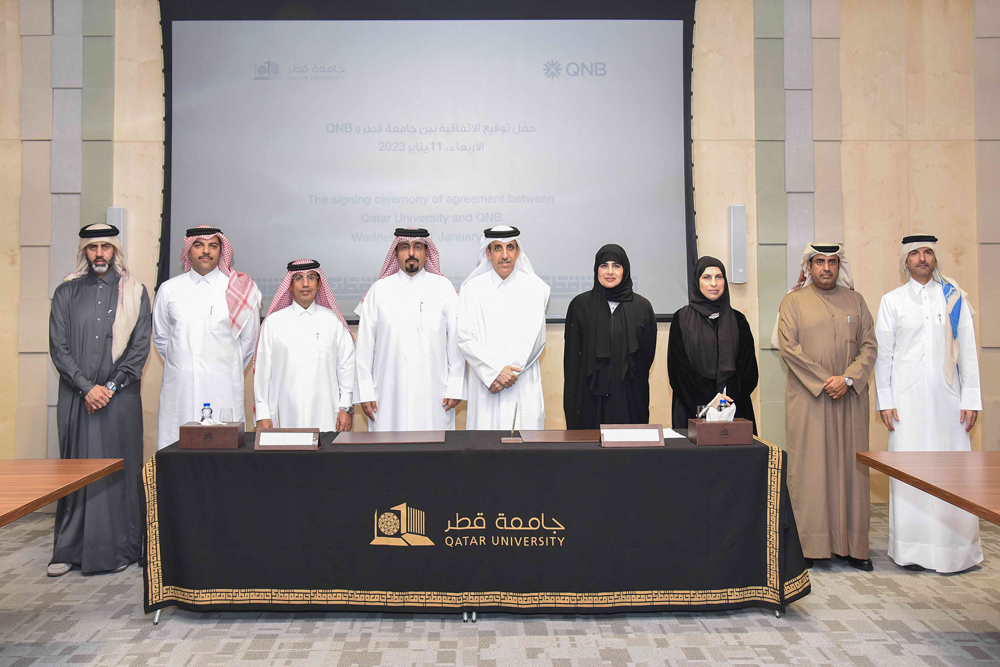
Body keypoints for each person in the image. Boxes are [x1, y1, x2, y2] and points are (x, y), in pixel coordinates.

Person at [874, 235, 983, 573]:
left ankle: (956, 551)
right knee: (910, 471)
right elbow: (883, 356)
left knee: (954, 472)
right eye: (915, 254)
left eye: (928, 253)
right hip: (906, 405)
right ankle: (912, 550)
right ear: (905, 262)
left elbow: (968, 350)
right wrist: (886, 401)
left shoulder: (954, 299)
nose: (922, 258)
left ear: (935, 259)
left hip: (949, 404)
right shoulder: (892, 301)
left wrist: (971, 399)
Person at [47, 223, 151, 576]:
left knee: (118, 472)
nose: (100, 254)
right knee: (76, 472)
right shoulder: (66, 292)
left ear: (115, 251)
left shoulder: (135, 292)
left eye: (106, 248)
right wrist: (86, 387)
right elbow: (58, 347)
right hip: (78, 399)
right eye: (93, 249)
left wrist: (109, 386)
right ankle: (68, 550)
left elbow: (139, 349)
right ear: (84, 253)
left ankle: (121, 549)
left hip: (119, 399)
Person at [777, 243, 878, 570]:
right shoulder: (793, 302)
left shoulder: (856, 301)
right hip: (811, 400)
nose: (826, 268)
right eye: (819, 262)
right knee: (811, 471)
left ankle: (854, 547)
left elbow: (869, 346)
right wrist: (826, 381)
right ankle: (810, 546)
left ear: (839, 266)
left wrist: (847, 379)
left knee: (851, 470)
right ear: (809, 266)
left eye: (832, 262)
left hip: (849, 400)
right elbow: (789, 349)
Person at [153, 226, 262, 449]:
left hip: (223, 387)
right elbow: (162, 338)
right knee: (177, 452)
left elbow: (249, 342)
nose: (206, 251)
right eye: (199, 245)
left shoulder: (238, 289)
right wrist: (184, 364)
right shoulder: (169, 289)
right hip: (180, 388)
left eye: (213, 246)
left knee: (224, 454)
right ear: (188, 250)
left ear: (221, 251)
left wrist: (225, 368)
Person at [354, 229, 465, 430]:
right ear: (396, 253)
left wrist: (455, 387)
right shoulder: (379, 290)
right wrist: (365, 392)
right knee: (389, 455)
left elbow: (456, 343)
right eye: (405, 247)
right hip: (387, 395)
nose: (411, 253)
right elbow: (364, 348)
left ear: (426, 252)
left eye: (418, 247)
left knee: (433, 455)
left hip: (435, 393)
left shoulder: (444, 288)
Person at [457, 225, 550, 430]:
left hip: (521, 383)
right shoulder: (471, 289)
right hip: (486, 385)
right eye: (498, 248)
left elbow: (537, 338)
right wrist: (494, 372)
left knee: (525, 453)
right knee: (484, 452)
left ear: (518, 252)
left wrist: (507, 374)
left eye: (510, 247)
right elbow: (464, 337)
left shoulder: (536, 288)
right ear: (488, 253)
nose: (505, 255)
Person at [254, 259, 355, 431]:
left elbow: (347, 367)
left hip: (327, 416)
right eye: (299, 278)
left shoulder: (333, 321)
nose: (306, 283)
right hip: (285, 415)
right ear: (290, 286)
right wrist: (262, 414)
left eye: (311, 277)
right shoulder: (273, 323)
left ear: (319, 284)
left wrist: (346, 408)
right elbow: (263, 373)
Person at [563, 244, 657, 428]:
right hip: (588, 399)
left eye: (616, 265)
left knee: (627, 453)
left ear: (625, 269)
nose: (610, 272)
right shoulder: (580, 305)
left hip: (629, 398)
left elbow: (646, 357)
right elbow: (572, 360)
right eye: (604, 265)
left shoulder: (642, 307)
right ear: (596, 269)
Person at [667, 257, 758, 431]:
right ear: (697, 282)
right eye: (707, 277)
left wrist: (724, 399)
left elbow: (748, 369)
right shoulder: (681, 319)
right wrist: (709, 398)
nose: (714, 283)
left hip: (734, 406)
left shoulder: (738, 320)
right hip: (692, 408)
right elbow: (678, 370)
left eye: (719, 277)